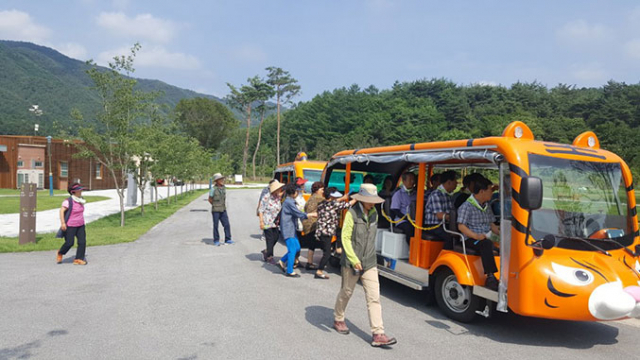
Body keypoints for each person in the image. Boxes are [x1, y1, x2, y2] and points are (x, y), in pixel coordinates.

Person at [333, 183, 397, 347]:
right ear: (361, 199)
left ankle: (378, 333)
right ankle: (339, 318)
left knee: (374, 297)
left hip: (369, 261)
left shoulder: (375, 213)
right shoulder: (351, 214)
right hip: (352, 261)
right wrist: (354, 260)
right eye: (370, 200)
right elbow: (345, 238)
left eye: (374, 200)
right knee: (347, 291)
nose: (373, 203)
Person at [457, 177, 500, 291]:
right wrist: (476, 236)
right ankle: (490, 276)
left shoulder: (486, 205)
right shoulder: (466, 206)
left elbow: (491, 224)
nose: (492, 192)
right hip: (471, 239)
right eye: (490, 190)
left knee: (501, 246)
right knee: (485, 244)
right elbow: (461, 226)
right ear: (482, 191)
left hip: (486, 237)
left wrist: (501, 234)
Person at [314, 188, 356, 279]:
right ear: (332, 196)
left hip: (321, 231)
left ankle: (320, 268)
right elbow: (347, 204)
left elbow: (334, 202)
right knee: (327, 253)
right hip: (327, 231)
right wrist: (356, 198)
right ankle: (319, 271)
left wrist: (342, 198)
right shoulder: (334, 204)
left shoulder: (322, 203)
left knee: (326, 250)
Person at [278, 183, 317, 277]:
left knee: (297, 248)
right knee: (292, 250)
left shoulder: (290, 200)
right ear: (293, 192)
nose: (298, 193)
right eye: (297, 191)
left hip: (292, 228)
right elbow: (298, 213)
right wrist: (311, 214)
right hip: (288, 228)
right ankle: (290, 271)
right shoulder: (289, 202)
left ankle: (282, 260)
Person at [423, 170, 458, 247]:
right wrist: (455, 218)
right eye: (455, 181)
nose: (457, 183)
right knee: (450, 237)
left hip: (445, 224)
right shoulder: (436, 195)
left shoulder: (448, 195)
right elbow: (440, 215)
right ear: (449, 182)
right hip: (434, 226)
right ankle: (444, 257)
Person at [56, 183, 88, 265]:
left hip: (80, 224)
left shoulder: (81, 200)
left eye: (81, 189)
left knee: (82, 242)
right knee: (69, 243)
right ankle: (60, 252)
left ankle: (78, 259)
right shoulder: (68, 201)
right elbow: (61, 211)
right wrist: (63, 223)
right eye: (79, 190)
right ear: (73, 191)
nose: (81, 191)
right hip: (70, 225)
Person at [259, 180, 285, 263]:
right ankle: (269, 256)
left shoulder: (278, 197)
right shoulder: (266, 197)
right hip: (267, 221)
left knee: (276, 237)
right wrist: (261, 222)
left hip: (275, 221)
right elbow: (261, 210)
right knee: (270, 239)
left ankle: (267, 251)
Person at [302, 182, 325, 270]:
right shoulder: (319, 198)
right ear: (317, 190)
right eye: (322, 189)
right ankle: (310, 263)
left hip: (307, 223)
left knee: (312, 244)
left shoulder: (311, 197)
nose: (323, 191)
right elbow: (331, 202)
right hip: (313, 223)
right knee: (317, 243)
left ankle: (310, 262)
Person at [390, 172, 416, 244]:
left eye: (413, 180)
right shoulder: (398, 194)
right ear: (404, 181)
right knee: (410, 228)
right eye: (410, 180)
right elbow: (395, 210)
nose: (412, 182)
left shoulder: (415, 193)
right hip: (402, 221)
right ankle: (411, 249)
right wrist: (406, 218)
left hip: (414, 219)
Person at [209, 173, 233, 246]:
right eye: (220, 179)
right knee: (216, 225)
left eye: (222, 179)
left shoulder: (223, 188)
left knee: (226, 224)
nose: (222, 180)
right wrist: (215, 205)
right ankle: (216, 240)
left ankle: (228, 239)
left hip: (223, 209)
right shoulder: (213, 189)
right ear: (217, 181)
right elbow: (210, 199)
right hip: (215, 210)